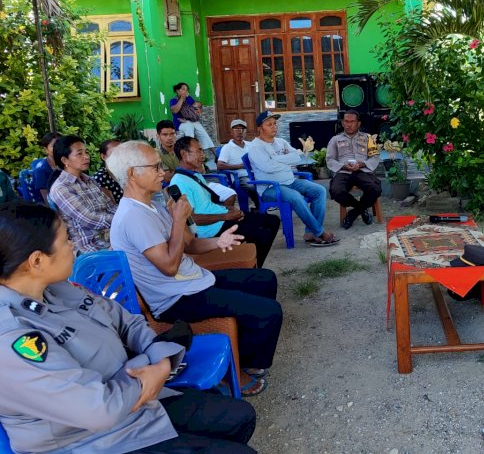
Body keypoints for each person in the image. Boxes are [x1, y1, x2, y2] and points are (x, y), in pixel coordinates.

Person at [0, 201, 257, 453]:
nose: (73, 246)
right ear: (36, 261)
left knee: (240, 416)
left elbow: (128, 321)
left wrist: (160, 362)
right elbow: (98, 409)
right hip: (91, 440)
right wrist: (151, 375)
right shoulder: (12, 337)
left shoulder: (57, 288)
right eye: (66, 240)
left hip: (138, 398)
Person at [108, 141, 283, 396]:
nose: (162, 172)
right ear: (132, 173)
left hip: (193, 280)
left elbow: (188, 244)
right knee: (269, 311)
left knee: (264, 280)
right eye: (155, 167)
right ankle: (238, 367)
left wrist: (218, 241)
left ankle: (244, 349)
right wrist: (179, 220)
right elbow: (169, 266)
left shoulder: (153, 204)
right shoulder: (133, 216)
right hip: (176, 299)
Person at [171, 136, 280, 267]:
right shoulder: (180, 181)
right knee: (262, 235)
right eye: (199, 151)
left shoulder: (194, 175)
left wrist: (228, 209)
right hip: (210, 229)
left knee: (272, 221)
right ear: (184, 154)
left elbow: (206, 205)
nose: (203, 156)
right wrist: (225, 216)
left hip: (221, 218)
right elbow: (191, 218)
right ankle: (254, 268)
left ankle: (253, 264)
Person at [248, 110, 338, 246]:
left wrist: (276, 159)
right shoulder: (255, 147)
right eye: (269, 124)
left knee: (319, 191)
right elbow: (268, 168)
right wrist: (285, 161)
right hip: (271, 188)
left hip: (291, 181)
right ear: (260, 128)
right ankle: (320, 233)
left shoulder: (281, 142)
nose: (274, 126)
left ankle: (310, 232)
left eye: (275, 123)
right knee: (296, 197)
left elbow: (297, 158)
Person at [49, 135, 117, 254]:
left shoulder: (90, 181)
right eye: (79, 154)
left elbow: (110, 207)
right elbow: (90, 219)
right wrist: (123, 219)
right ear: (65, 160)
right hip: (91, 247)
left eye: (86, 152)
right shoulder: (61, 188)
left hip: (111, 236)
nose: (86, 157)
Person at [326, 110, 381, 229]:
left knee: (375, 188)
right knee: (336, 191)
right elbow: (330, 160)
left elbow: (375, 156)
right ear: (342, 123)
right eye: (346, 121)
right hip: (343, 172)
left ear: (358, 123)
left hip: (362, 171)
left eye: (352, 122)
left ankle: (352, 214)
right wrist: (343, 166)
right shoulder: (335, 139)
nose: (349, 124)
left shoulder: (368, 138)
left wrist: (362, 164)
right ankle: (360, 208)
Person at [169, 83, 217, 170]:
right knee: (189, 127)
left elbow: (194, 110)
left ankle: (216, 155)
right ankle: (191, 152)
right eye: (183, 89)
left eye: (186, 89)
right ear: (177, 90)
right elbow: (175, 111)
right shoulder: (173, 100)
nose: (185, 91)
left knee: (201, 131)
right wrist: (182, 99)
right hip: (180, 123)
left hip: (190, 120)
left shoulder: (190, 99)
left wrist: (191, 116)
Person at [217, 118, 260, 208]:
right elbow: (220, 165)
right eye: (236, 129)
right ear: (231, 132)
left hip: (255, 174)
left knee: (271, 181)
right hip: (240, 177)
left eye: (242, 129)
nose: (239, 131)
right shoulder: (227, 147)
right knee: (252, 187)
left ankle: (264, 205)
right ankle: (259, 206)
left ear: (245, 131)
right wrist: (240, 166)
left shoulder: (250, 145)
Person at [92, 139, 124, 204]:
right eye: (115, 152)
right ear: (103, 156)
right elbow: (112, 207)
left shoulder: (127, 173)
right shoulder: (101, 178)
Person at [32, 131, 59, 204]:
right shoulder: (41, 169)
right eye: (54, 146)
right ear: (45, 150)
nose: (58, 148)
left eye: (60, 145)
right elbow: (46, 198)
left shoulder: (66, 163)